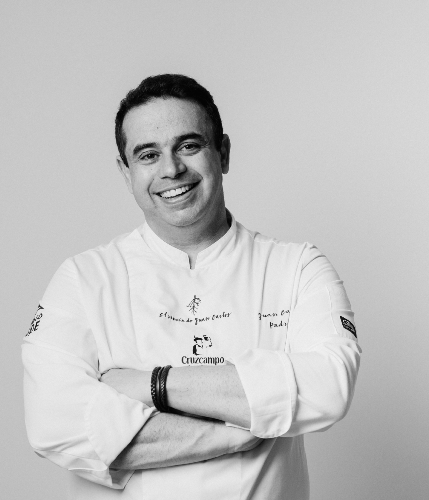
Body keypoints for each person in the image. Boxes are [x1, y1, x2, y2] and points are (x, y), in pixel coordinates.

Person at [22, 74, 361, 500]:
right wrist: (236, 433)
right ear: (126, 172)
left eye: (188, 146)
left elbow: (328, 387)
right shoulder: (83, 279)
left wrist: (151, 385)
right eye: (148, 155)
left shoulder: (296, 267)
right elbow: (53, 423)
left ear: (223, 152)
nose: (171, 169)